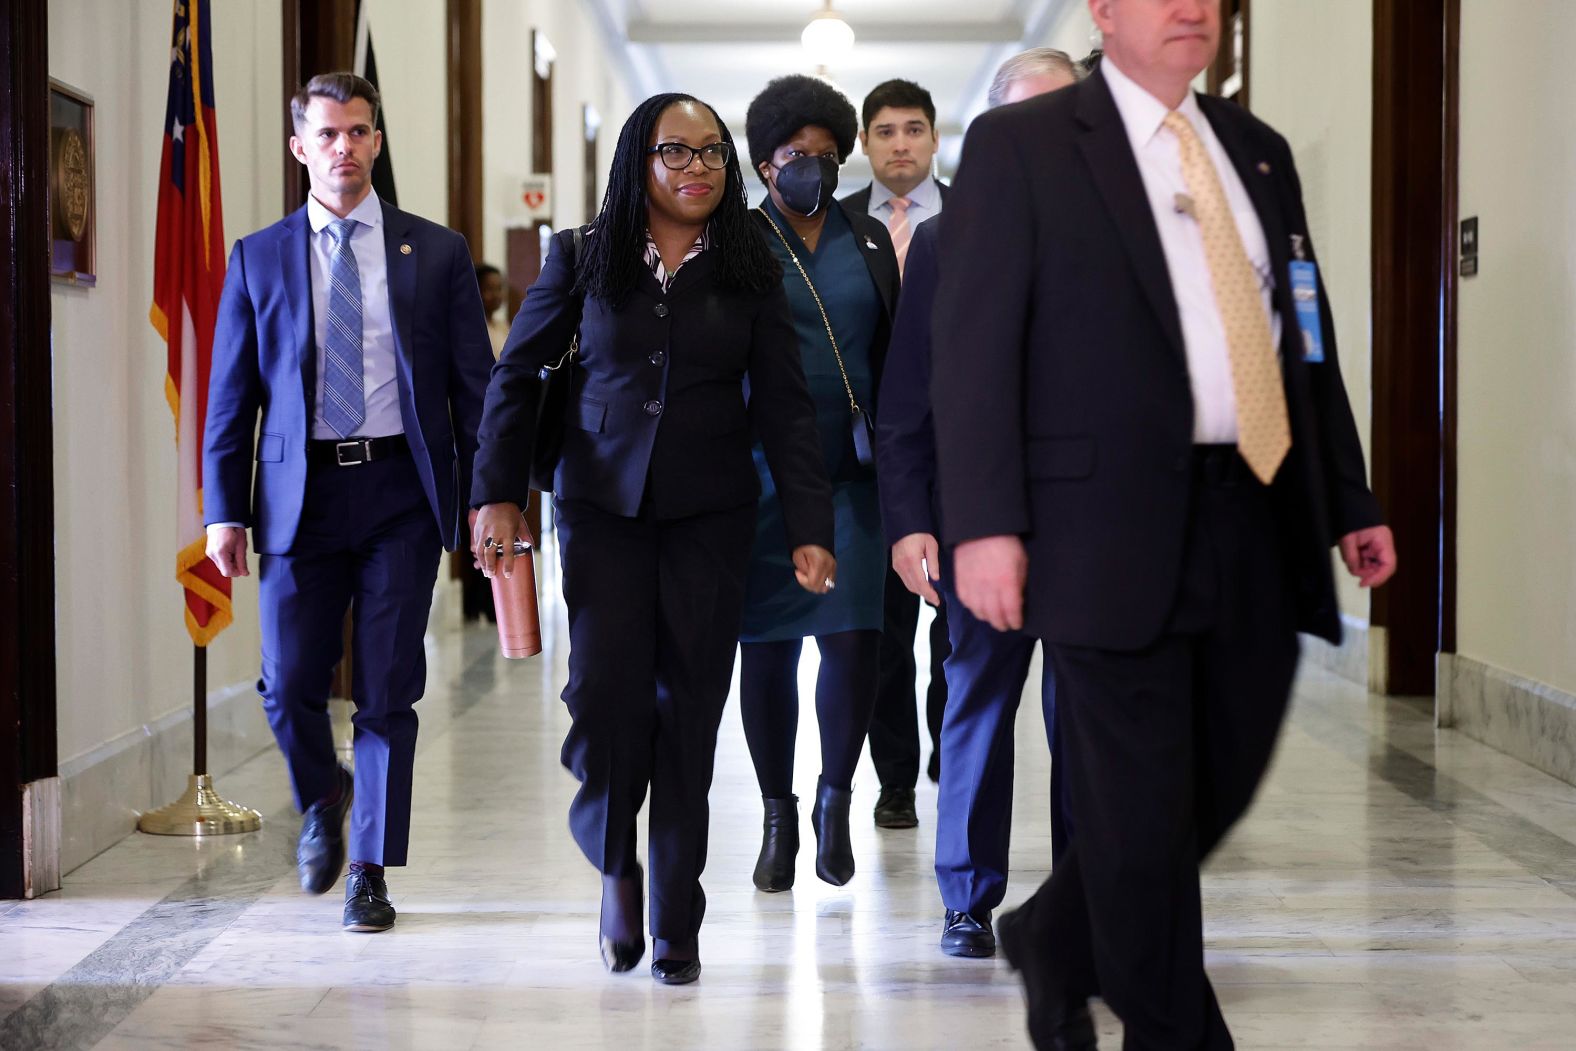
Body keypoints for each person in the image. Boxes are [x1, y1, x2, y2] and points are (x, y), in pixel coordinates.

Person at [932, 0, 1398, 1045]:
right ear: (1103, 11)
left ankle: (1056, 932)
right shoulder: (1027, 146)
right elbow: (970, 349)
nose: (1193, 8)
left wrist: (1347, 496)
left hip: (1255, 509)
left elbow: (1301, 337)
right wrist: (983, 522)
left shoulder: (1254, 151)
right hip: (1097, 525)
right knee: (1139, 812)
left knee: (1210, 782)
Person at [469, 93, 834, 986]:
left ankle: (676, 917)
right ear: (639, 160)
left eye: (713, 155)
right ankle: (614, 859)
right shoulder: (582, 257)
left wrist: (808, 526)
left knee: (688, 712)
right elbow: (518, 376)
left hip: (711, 515)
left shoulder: (752, 271)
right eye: (678, 152)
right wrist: (496, 496)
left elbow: (787, 407)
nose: (698, 169)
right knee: (604, 702)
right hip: (600, 509)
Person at [204, 73, 493, 933]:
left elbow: (475, 389)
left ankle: (369, 867)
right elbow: (230, 398)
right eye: (328, 135)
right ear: (300, 148)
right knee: (287, 681)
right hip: (302, 494)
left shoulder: (433, 251)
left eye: (360, 132)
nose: (346, 149)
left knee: (387, 688)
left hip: (402, 489)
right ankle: (323, 796)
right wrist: (226, 510)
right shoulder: (259, 256)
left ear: (376, 139)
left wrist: (488, 499)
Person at [875, 48, 1082, 961]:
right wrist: (909, 517)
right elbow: (907, 398)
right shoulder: (947, 241)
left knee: (1087, 716)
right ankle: (967, 896)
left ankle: (1088, 894)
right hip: (977, 518)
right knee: (977, 705)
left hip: (1095, 521)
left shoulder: (1125, 223)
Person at [739, 74, 901, 892]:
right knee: (765, 646)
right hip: (760, 478)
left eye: (829, 155)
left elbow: (893, 355)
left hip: (853, 476)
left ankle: (836, 797)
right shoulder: (735, 241)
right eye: (800, 156)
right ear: (767, 163)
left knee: (854, 639)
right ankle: (777, 812)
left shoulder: (867, 238)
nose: (817, 168)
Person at [842, 77, 952, 831]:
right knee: (884, 635)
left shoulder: (984, 216)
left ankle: (958, 757)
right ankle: (896, 780)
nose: (901, 144)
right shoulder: (840, 226)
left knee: (959, 632)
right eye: (885, 131)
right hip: (871, 456)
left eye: (914, 129)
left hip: (965, 453)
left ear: (935, 139)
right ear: (865, 144)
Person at [476, 263, 510, 358]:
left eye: (499, 288)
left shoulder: (503, 325)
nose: (496, 295)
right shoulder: (474, 329)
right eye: (489, 289)